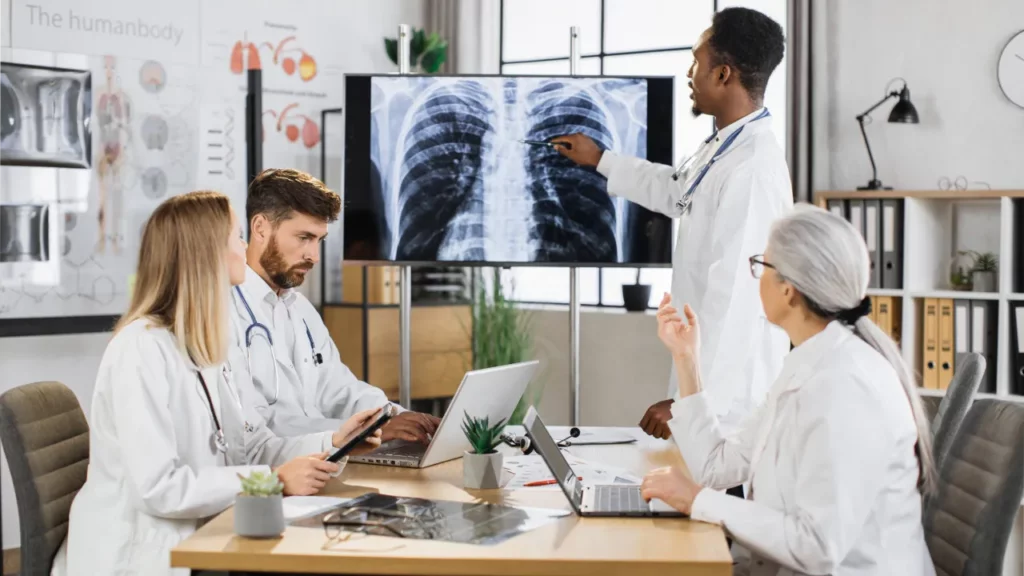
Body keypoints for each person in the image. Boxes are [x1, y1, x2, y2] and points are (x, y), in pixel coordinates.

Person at [51, 191, 384, 576]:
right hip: (140, 552)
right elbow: (159, 488)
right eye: (237, 236)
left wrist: (334, 444)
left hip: (207, 531)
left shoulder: (209, 342)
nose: (245, 246)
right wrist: (273, 480)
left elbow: (254, 443)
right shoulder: (139, 349)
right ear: (204, 253)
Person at [639, 205, 937, 575]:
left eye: (761, 265)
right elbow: (717, 467)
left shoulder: (845, 387)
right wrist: (687, 359)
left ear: (789, 290)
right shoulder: (807, 364)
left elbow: (818, 546)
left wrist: (698, 501)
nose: (756, 276)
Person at [551, 7, 793, 451]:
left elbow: (737, 298)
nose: (689, 73)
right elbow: (678, 192)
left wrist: (690, 402)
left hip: (731, 404)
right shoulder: (726, 147)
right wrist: (600, 158)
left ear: (722, 74)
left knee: (714, 512)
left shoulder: (753, 169)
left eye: (696, 62)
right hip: (710, 385)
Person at [230, 168, 441, 442]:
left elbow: (339, 389)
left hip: (328, 458)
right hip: (273, 471)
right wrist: (363, 432)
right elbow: (256, 424)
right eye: (304, 238)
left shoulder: (300, 309)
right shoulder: (223, 310)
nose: (314, 256)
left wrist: (393, 415)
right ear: (260, 228)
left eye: (319, 240)